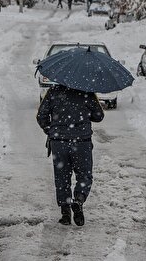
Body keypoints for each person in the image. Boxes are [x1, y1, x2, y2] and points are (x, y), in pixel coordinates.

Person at [36, 85, 104, 226]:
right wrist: (85, 114)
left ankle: (65, 213)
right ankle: (78, 200)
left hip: (59, 142)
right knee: (84, 175)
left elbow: (41, 116)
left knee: (62, 177)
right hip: (82, 142)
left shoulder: (53, 92)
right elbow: (99, 116)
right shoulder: (87, 91)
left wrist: (51, 130)